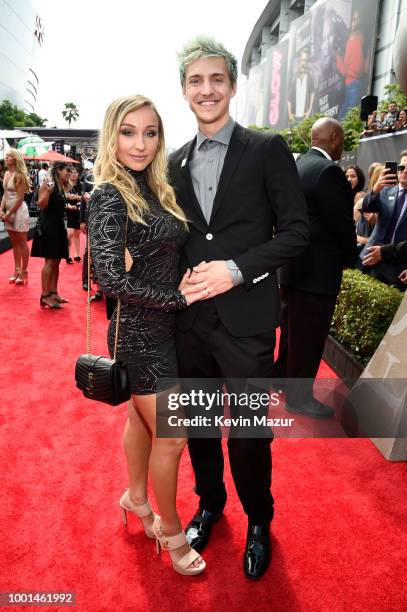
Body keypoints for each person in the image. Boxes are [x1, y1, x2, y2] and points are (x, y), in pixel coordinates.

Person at [169, 36, 309, 580]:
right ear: (184, 90)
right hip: (189, 323)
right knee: (201, 425)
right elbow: (179, 236)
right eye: (196, 81)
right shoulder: (173, 161)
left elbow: (297, 233)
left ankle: (258, 519)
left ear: (231, 85)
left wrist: (238, 267)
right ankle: (209, 504)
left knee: (249, 431)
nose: (207, 90)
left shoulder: (266, 148)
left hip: (246, 320)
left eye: (216, 79)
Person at [88, 94, 209, 576]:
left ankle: (136, 499)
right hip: (140, 336)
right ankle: (172, 531)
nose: (140, 143)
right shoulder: (108, 194)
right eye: (129, 132)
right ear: (111, 136)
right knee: (174, 438)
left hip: (165, 327)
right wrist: (177, 298)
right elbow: (110, 279)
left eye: (150, 132)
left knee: (141, 423)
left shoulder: (156, 188)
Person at [274, 118, 357, 417]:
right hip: (317, 273)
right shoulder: (328, 171)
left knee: (292, 330)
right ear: (334, 137)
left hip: (293, 269)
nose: (344, 145)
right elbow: (342, 225)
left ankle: (281, 379)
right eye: (343, 139)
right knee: (308, 336)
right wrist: (353, 259)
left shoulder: (297, 167)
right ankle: (299, 398)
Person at [360, 151, 407, 289]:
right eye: (402, 167)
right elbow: (367, 207)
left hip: (399, 268)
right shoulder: (386, 191)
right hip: (371, 260)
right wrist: (376, 189)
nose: (404, 172)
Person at [31, 161, 71, 308]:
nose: (69, 173)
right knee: (49, 261)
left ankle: (53, 292)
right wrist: (47, 192)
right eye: (67, 170)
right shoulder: (48, 184)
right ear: (58, 170)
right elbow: (41, 205)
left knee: (57, 261)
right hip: (48, 226)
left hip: (58, 226)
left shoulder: (60, 186)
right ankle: (44, 295)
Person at [0, 149, 31, 284]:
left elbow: (20, 198)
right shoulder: (6, 173)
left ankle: (24, 271)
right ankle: (16, 270)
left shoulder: (20, 175)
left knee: (22, 242)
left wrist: (8, 213)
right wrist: (1, 210)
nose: (6, 158)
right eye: (6, 156)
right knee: (14, 243)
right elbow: (5, 194)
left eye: (10, 156)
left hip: (19, 211)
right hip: (8, 211)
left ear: (16, 159)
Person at [336, 7, 366, 119]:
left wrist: (338, 59)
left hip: (353, 83)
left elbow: (346, 71)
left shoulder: (354, 41)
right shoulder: (354, 40)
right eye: (353, 19)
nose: (356, 22)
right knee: (347, 112)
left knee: (350, 114)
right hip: (352, 83)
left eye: (357, 19)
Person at [287, 49, 316, 124]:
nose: (303, 63)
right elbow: (289, 98)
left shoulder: (309, 76)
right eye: (302, 60)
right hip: (295, 117)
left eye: (305, 60)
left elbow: (313, 93)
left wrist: (309, 110)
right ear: (298, 62)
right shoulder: (294, 78)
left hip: (305, 117)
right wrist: (290, 114)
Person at [65, 166, 82, 264]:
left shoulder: (82, 185)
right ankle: (68, 255)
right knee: (70, 234)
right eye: (72, 172)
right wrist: (68, 204)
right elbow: (63, 198)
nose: (74, 174)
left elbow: (85, 198)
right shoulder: (66, 185)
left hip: (79, 212)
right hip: (70, 211)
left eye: (76, 172)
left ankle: (77, 254)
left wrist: (76, 197)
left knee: (77, 234)